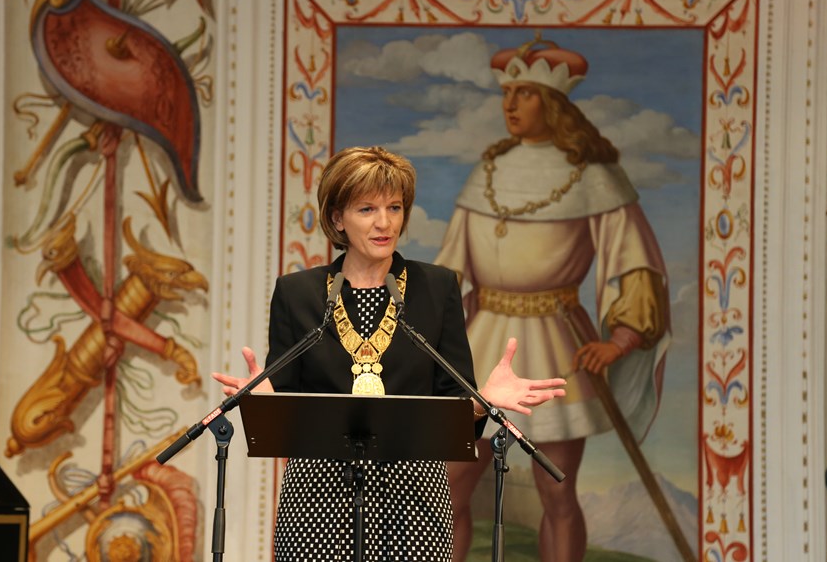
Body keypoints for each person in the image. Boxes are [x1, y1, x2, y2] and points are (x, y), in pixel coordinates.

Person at [212, 146, 567, 562]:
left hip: (414, 496)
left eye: (394, 207)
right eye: (366, 209)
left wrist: (480, 402)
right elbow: (286, 399)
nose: (385, 223)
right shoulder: (298, 293)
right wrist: (265, 405)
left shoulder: (436, 287)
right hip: (319, 495)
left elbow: (452, 400)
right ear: (336, 218)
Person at [436, 35, 671, 562]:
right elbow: (451, 270)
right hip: (482, 342)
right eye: (507, 92)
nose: (510, 103)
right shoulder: (486, 174)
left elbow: (635, 261)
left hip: (557, 339)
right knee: (452, 485)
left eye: (525, 92)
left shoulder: (595, 177)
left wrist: (623, 338)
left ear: (555, 103)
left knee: (556, 491)